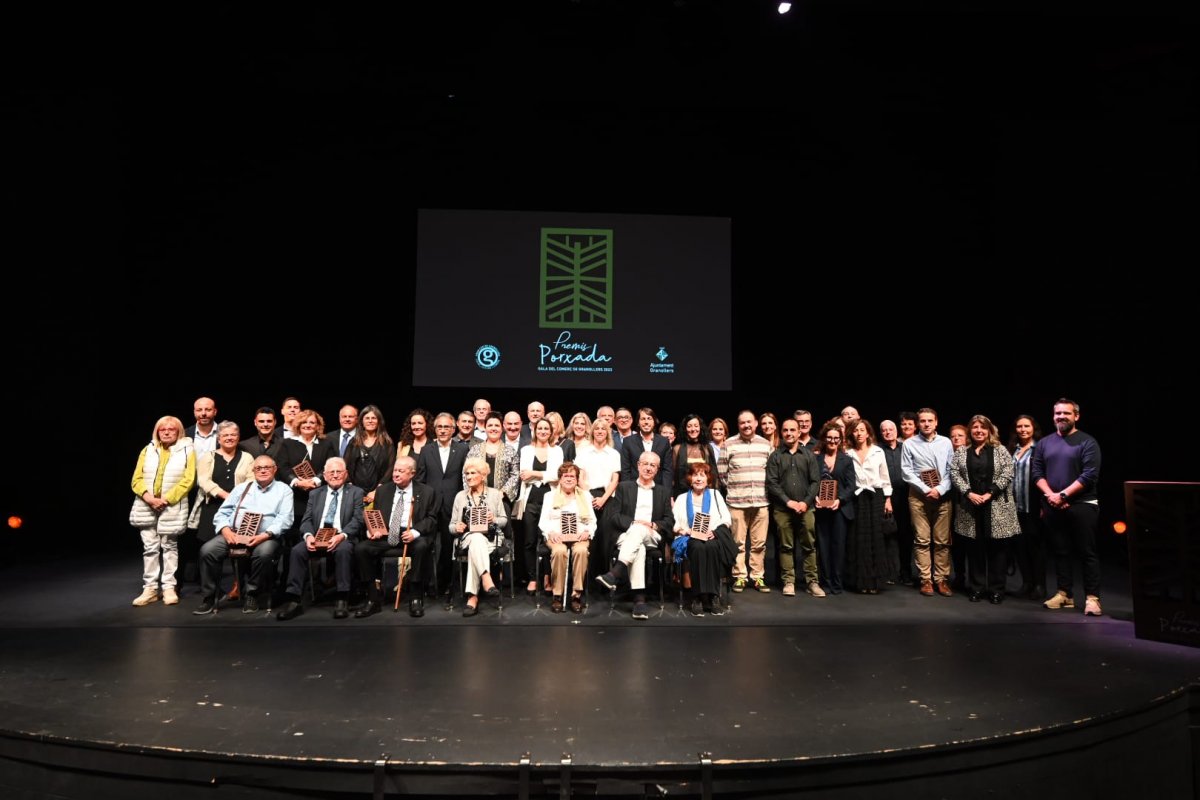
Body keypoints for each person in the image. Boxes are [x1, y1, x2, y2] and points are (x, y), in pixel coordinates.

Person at [196, 456, 294, 614]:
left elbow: (285, 519)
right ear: (253, 471)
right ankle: (210, 595)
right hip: (235, 534)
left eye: (267, 467)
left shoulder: (284, 490)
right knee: (208, 550)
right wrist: (225, 530)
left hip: (265, 537)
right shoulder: (242, 488)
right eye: (258, 468)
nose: (262, 470)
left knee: (264, 554)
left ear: (275, 469)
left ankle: (252, 593)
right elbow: (222, 513)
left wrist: (265, 535)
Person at [1032, 398, 1103, 616]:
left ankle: (1092, 599)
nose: (1061, 417)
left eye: (1066, 413)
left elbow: (1089, 475)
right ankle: (1065, 595)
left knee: (1086, 552)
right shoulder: (1044, 443)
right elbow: (1037, 472)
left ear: (1076, 416)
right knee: (1061, 552)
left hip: (1082, 504)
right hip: (1053, 504)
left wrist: (1063, 495)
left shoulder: (1087, 442)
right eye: (1057, 413)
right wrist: (1051, 496)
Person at [276, 457, 365, 621]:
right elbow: (307, 520)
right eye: (332, 472)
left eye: (339, 472)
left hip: (342, 535)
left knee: (344, 550)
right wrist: (308, 536)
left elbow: (358, 520)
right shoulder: (316, 493)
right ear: (324, 475)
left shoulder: (356, 492)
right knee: (297, 551)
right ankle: (294, 600)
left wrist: (341, 536)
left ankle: (341, 597)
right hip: (317, 536)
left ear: (346, 474)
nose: (336, 475)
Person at [354, 457, 440, 618]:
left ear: (412, 473)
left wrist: (415, 532)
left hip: (411, 533)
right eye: (395, 470)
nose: (396, 474)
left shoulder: (426, 491)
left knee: (422, 546)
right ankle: (373, 599)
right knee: (361, 549)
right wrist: (374, 531)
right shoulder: (383, 490)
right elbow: (376, 516)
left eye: (401, 471)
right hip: (387, 534)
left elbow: (431, 519)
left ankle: (415, 597)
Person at [595, 452, 675, 620]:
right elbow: (615, 516)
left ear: (657, 470)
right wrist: (634, 523)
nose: (648, 467)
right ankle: (639, 600)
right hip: (628, 533)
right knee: (638, 546)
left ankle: (615, 573)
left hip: (653, 535)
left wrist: (654, 525)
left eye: (652, 465)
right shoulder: (624, 487)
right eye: (645, 463)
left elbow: (669, 520)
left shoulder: (663, 491)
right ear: (638, 465)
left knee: (640, 531)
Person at [950, 415, 1020, 604]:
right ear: (969, 431)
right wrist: (968, 493)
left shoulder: (1000, 450)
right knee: (974, 549)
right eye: (975, 427)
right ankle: (977, 588)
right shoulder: (962, 452)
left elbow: (1008, 472)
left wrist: (991, 493)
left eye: (982, 427)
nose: (979, 430)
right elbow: (954, 472)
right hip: (970, 507)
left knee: (998, 551)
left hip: (996, 505)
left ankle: (997, 589)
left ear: (989, 430)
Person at [129, 416, 196, 606]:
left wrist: (166, 499)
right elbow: (136, 478)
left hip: (171, 505)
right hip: (146, 504)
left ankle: (168, 587)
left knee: (169, 546)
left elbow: (188, 479)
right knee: (150, 548)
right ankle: (150, 588)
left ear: (179, 431)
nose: (166, 432)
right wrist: (149, 498)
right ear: (157, 432)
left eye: (171, 429)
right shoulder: (148, 449)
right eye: (162, 429)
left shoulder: (187, 450)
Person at [901, 408, 956, 597]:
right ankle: (926, 579)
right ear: (918, 423)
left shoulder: (946, 442)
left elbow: (951, 470)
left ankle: (941, 579)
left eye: (930, 420)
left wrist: (939, 489)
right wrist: (926, 489)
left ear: (936, 422)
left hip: (942, 496)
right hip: (918, 496)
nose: (926, 424)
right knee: (922, 539)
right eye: (922, 421)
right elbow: (906, 471)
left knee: (942, 541)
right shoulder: (909, 444)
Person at [765, 418, 823, 598]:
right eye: (785, 430)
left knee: (809, 546)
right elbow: (772, 483)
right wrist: (788, 502)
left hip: (807, 508)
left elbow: (815, 482)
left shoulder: (808, 455)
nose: (789, 433)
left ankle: (812, 582)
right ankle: (788, 582)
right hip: (783, 509)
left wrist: (805, 502)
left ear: (799, 433)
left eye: (792, 430)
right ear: (781, 433)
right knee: (785, 546)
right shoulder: (775, 456)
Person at [415, 412, 471, 595]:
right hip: (430, 505)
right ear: (435, 429)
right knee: (426, 543)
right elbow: (420, 479)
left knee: (448, 546)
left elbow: (465, 479)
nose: (443, 430)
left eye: (447, 427)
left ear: (453, 429)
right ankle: (426, 583)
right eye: (440, 427)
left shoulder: (462, 450)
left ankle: (446, 584)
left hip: (452, 505)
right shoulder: (426, 450)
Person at [718, 410, 773, 593]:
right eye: (742, 423)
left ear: (756, 423)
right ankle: (740, 577)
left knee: (759, 543)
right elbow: (722, 473)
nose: (746, 425)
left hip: (761, 502)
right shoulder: (729, 444)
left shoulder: (766, 445)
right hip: (736, 502)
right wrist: (736, 488)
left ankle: (757, 577)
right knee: (738, 543)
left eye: (749, 422)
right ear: (738, 425)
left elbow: (772, 473)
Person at [672, 463, 737, 615]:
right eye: (695, 475)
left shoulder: (715, 494)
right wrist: (684, 530)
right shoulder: (682, 498)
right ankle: (698, 597)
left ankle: (713, 596)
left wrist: (714, 532)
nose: (698, 479)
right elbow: (674, 523)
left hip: (712, 535)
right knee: (698, 548)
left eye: (702, 475)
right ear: (690, 478)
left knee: (712, 547)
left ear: (708, 479)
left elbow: (726, 518)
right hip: (690, 537)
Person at [450, 458, 507, 617]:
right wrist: (457, 527)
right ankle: (486, 578)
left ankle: (472, 596)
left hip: (491, 539)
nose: (468, 477)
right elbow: (451, 525)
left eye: (473, 473)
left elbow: (504, 520)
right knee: (475, 538)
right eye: (467, 473)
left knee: (477, 544)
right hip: (467, 538)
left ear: (483, 476)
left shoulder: (495, 495)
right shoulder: (460, 496)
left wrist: (493, 519)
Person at [538, 462, 595, 613]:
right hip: (557, 536)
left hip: (579, 536)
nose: (569, 479)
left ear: (577, 479)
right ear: (560, 479)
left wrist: (587, 531)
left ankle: (576, 594)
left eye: (572, 476)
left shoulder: (586, 496)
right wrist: (551, 533)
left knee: (581, 551)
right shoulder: (549, 496)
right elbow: (543, 521)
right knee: (559, 552)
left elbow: (592, 521)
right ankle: (557, 595)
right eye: (566, 476)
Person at [845, 419, 893, 594]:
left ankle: (874, 582)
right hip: (856, 498)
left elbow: (885, 477)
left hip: (876, 497)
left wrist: (888, 499)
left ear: (868, 433)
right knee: (858, 539)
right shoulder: (848, 453)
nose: (859, 433)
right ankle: (860, 582)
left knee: (876, 539)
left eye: (862, 430)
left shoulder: (877, 451)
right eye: (856, 430)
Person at [517, 418, 564, 594]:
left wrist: (535, 473)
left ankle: (547, 576)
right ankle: (532, 578)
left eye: (546, 428)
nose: (543, 431)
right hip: (530, 500)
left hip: (550, 499)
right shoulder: (526, 450)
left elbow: (557, 476)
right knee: (529, 540)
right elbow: (524, 475)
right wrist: (542, 475)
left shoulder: (557, 450)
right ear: (535, 431)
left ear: (551, 432)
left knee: (548, 539)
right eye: (540, 428)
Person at [191, 421, 255, 549]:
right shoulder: (208, 457)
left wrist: (236, 498)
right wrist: (226, 495)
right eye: (225, 435)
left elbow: (251, 481)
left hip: (238, 508)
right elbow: (204, 481)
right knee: (207, 549)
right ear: (218, 438)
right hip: (212, 507)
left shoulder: (247, 457)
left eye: (233, 435)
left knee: (239, 548)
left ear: (238, 437)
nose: (229, 438)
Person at [278, 409, 337, 542]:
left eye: (312, 422)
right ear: (298, 424)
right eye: (304, 422)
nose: (308, 425)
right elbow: (282, 467)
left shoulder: (327, 444)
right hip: (295, 497)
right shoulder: (287, 443)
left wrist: (316, 480)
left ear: (318, 426)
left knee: (319, 538)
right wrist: (297, 482)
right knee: (293, 539)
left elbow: (330, 465)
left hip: (320, 495)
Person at [813, 421, 857, 594]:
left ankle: (837, 583)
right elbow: (812, 482)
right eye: (829, 438)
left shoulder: (846, 460)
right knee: (822, 546)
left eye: (836, 438)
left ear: (840, 440)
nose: (832, 441)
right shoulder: (815, 458)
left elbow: (851, 486)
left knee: (838, 546)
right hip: (820, 508)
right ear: (824, 438)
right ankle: (825, 582)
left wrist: (839, 500)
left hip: (840, 509)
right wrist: (815, 496)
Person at [1009, 414, 1046, 600]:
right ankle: (1026, 583)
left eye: (1026, 426)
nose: (1023, 429)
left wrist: (1043, 503)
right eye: (1019, 426)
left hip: (1033, 504)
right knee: (1020, 546)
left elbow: (1045, 476)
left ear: (1033, 428)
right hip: (1016, 507)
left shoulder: (1040, 448)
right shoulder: (1013, 450)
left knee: (1036, 546)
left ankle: (1039, 585)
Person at [878, 420, 911, 586]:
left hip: (905, 497)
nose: (888, 432)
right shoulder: (877, 450)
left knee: (906, 536)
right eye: (884, 430)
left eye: (891, 429)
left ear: (896, 431)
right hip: (886, 498)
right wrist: (886, 498)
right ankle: (890, 573)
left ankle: (906, 572)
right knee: (888, 536)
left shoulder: (905, 447)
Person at [344, 404, 395, 507]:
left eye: (373, 418)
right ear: (362, 421)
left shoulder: (387, 443)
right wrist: (354, 490)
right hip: (355, 494)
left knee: (375, 523)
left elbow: (391, 468)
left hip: (379, 495)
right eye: (367, 418)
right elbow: (345, 465)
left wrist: (377, 491)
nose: (370, 421)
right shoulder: (353, 442)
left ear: (379, 421)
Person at [574, 419, 622, 514]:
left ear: (607, 433)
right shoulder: (583, 452)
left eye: (603, 429)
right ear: (592, 432)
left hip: (607, 497)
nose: (600, 431)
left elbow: (615, 480)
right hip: (587, 495)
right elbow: (579, 477)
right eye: (597, 429)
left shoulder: (614, 454)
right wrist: (590, 497)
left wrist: (603, 499)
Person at [620, 407, 673, 489]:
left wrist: (667, 494)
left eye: (649, 418)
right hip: (634, 489)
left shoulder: (664, 442)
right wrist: (626, 491)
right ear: (638, 422)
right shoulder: (628, 442)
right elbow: (625, 471)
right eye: (643, 419)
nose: (646, 422)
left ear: (654, 422)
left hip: (658, 490)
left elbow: (667, 471)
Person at [669, 414, 721, 496]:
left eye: (696, 426)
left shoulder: (707, 448)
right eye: (689, 426)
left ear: (700, 428)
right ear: (685, 429)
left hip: (706, 494)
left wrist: (716, 494)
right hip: (682, 494)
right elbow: (672, 476)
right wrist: (671, 496)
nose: (693, 429)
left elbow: (713, 474)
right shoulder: (677, 449)